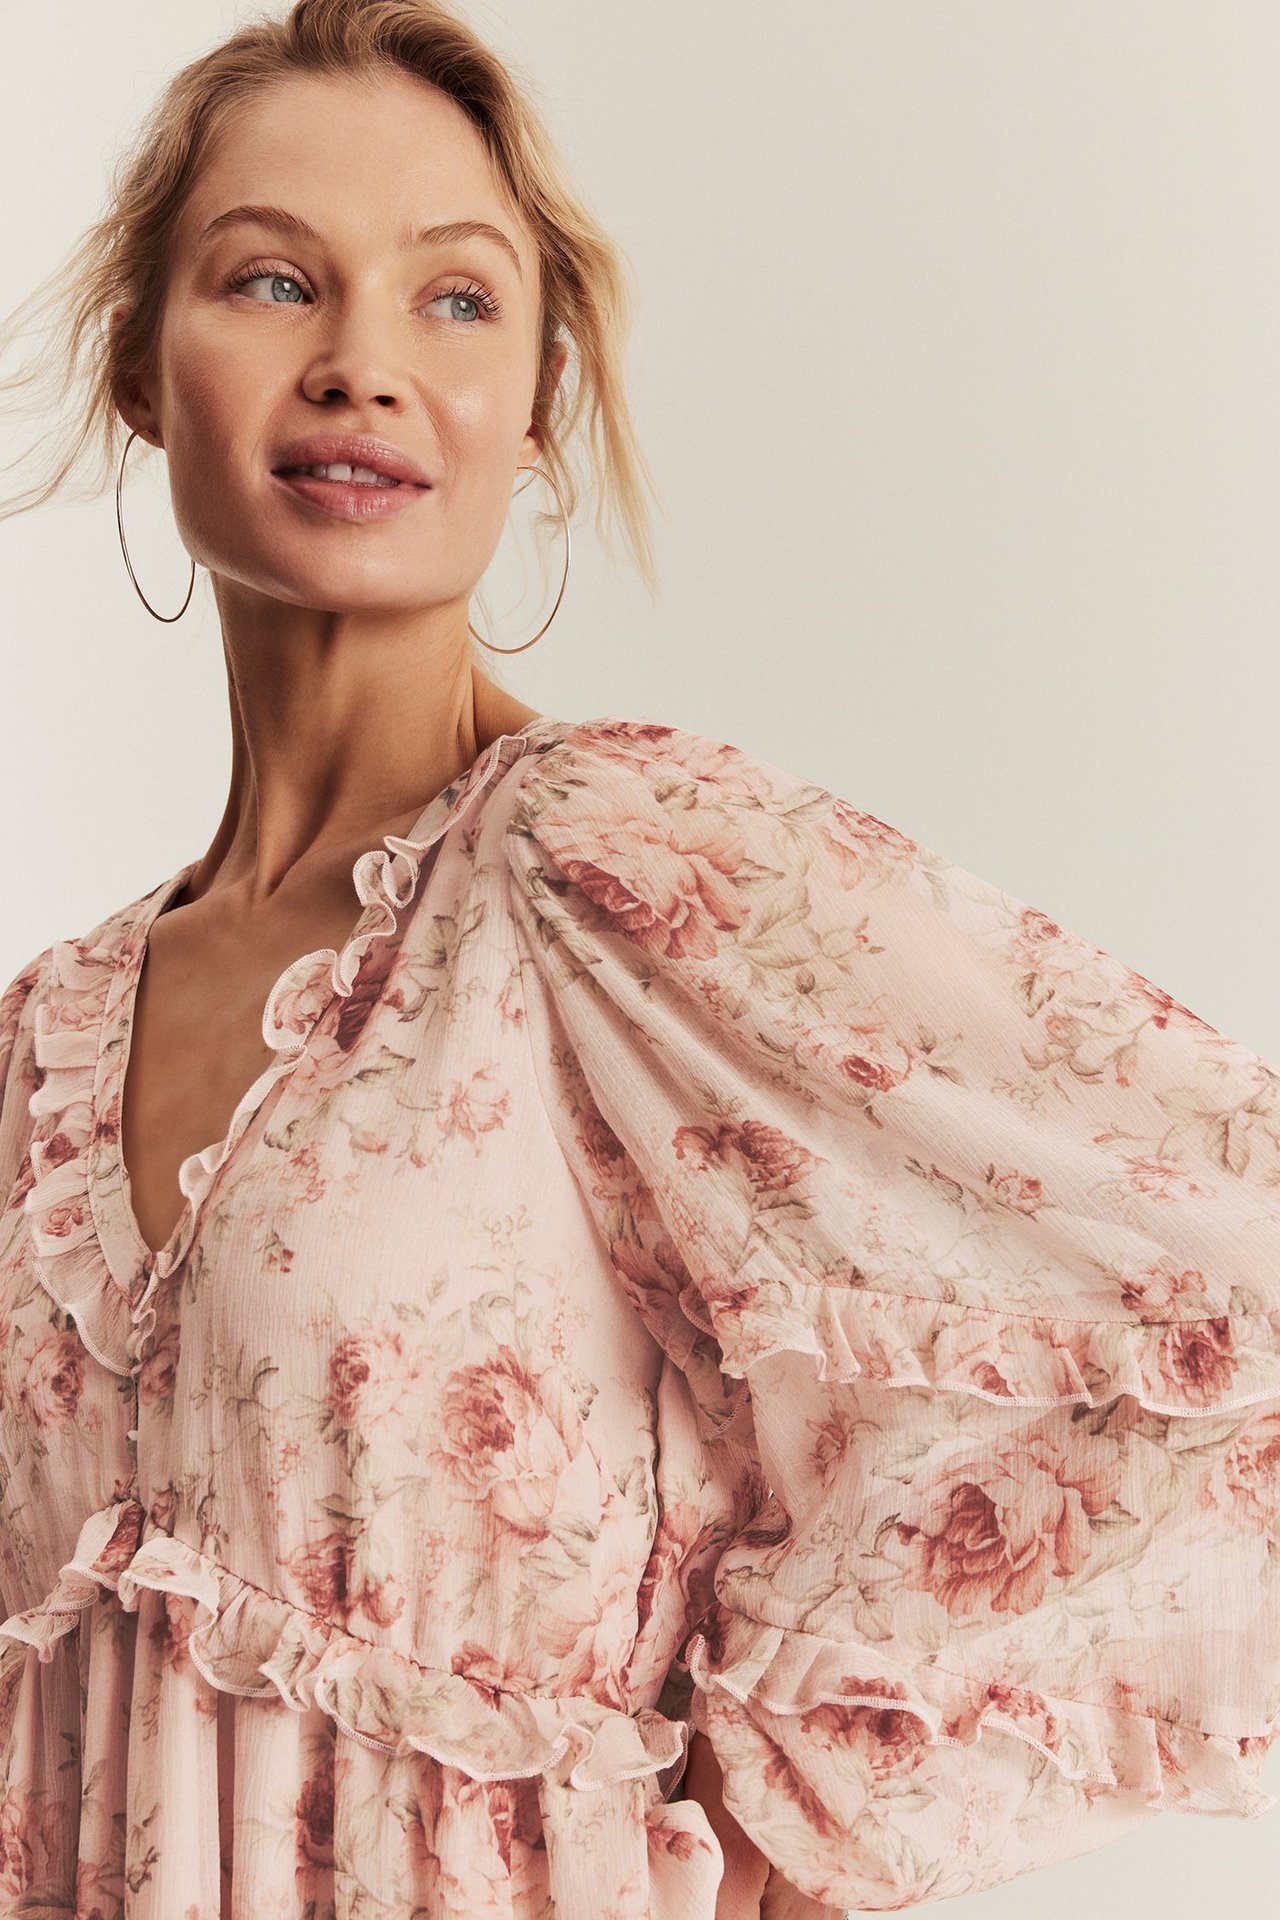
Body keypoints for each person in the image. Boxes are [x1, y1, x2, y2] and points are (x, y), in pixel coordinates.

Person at [0, 4, 1277, 1917]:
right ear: (137, 364)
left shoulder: (599, 864)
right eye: (274, 281)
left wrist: (789, 1820)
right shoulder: (37, 1038)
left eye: (454, 301)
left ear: (537, 397)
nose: (361, 366)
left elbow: (1224, 1242)